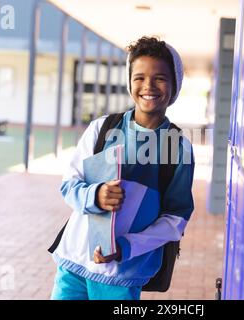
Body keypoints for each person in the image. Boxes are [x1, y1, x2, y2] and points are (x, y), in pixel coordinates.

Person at [50, 36, 195, 300]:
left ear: (175, 84)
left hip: (122, 273)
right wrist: (95, 195)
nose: (148, 86)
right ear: (129, 82)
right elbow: (69, 184)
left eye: (160, 78)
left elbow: (175, 219)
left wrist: (125, 247)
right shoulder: (102, 128)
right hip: (74, 260)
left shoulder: (178, 148)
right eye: (139, 77)